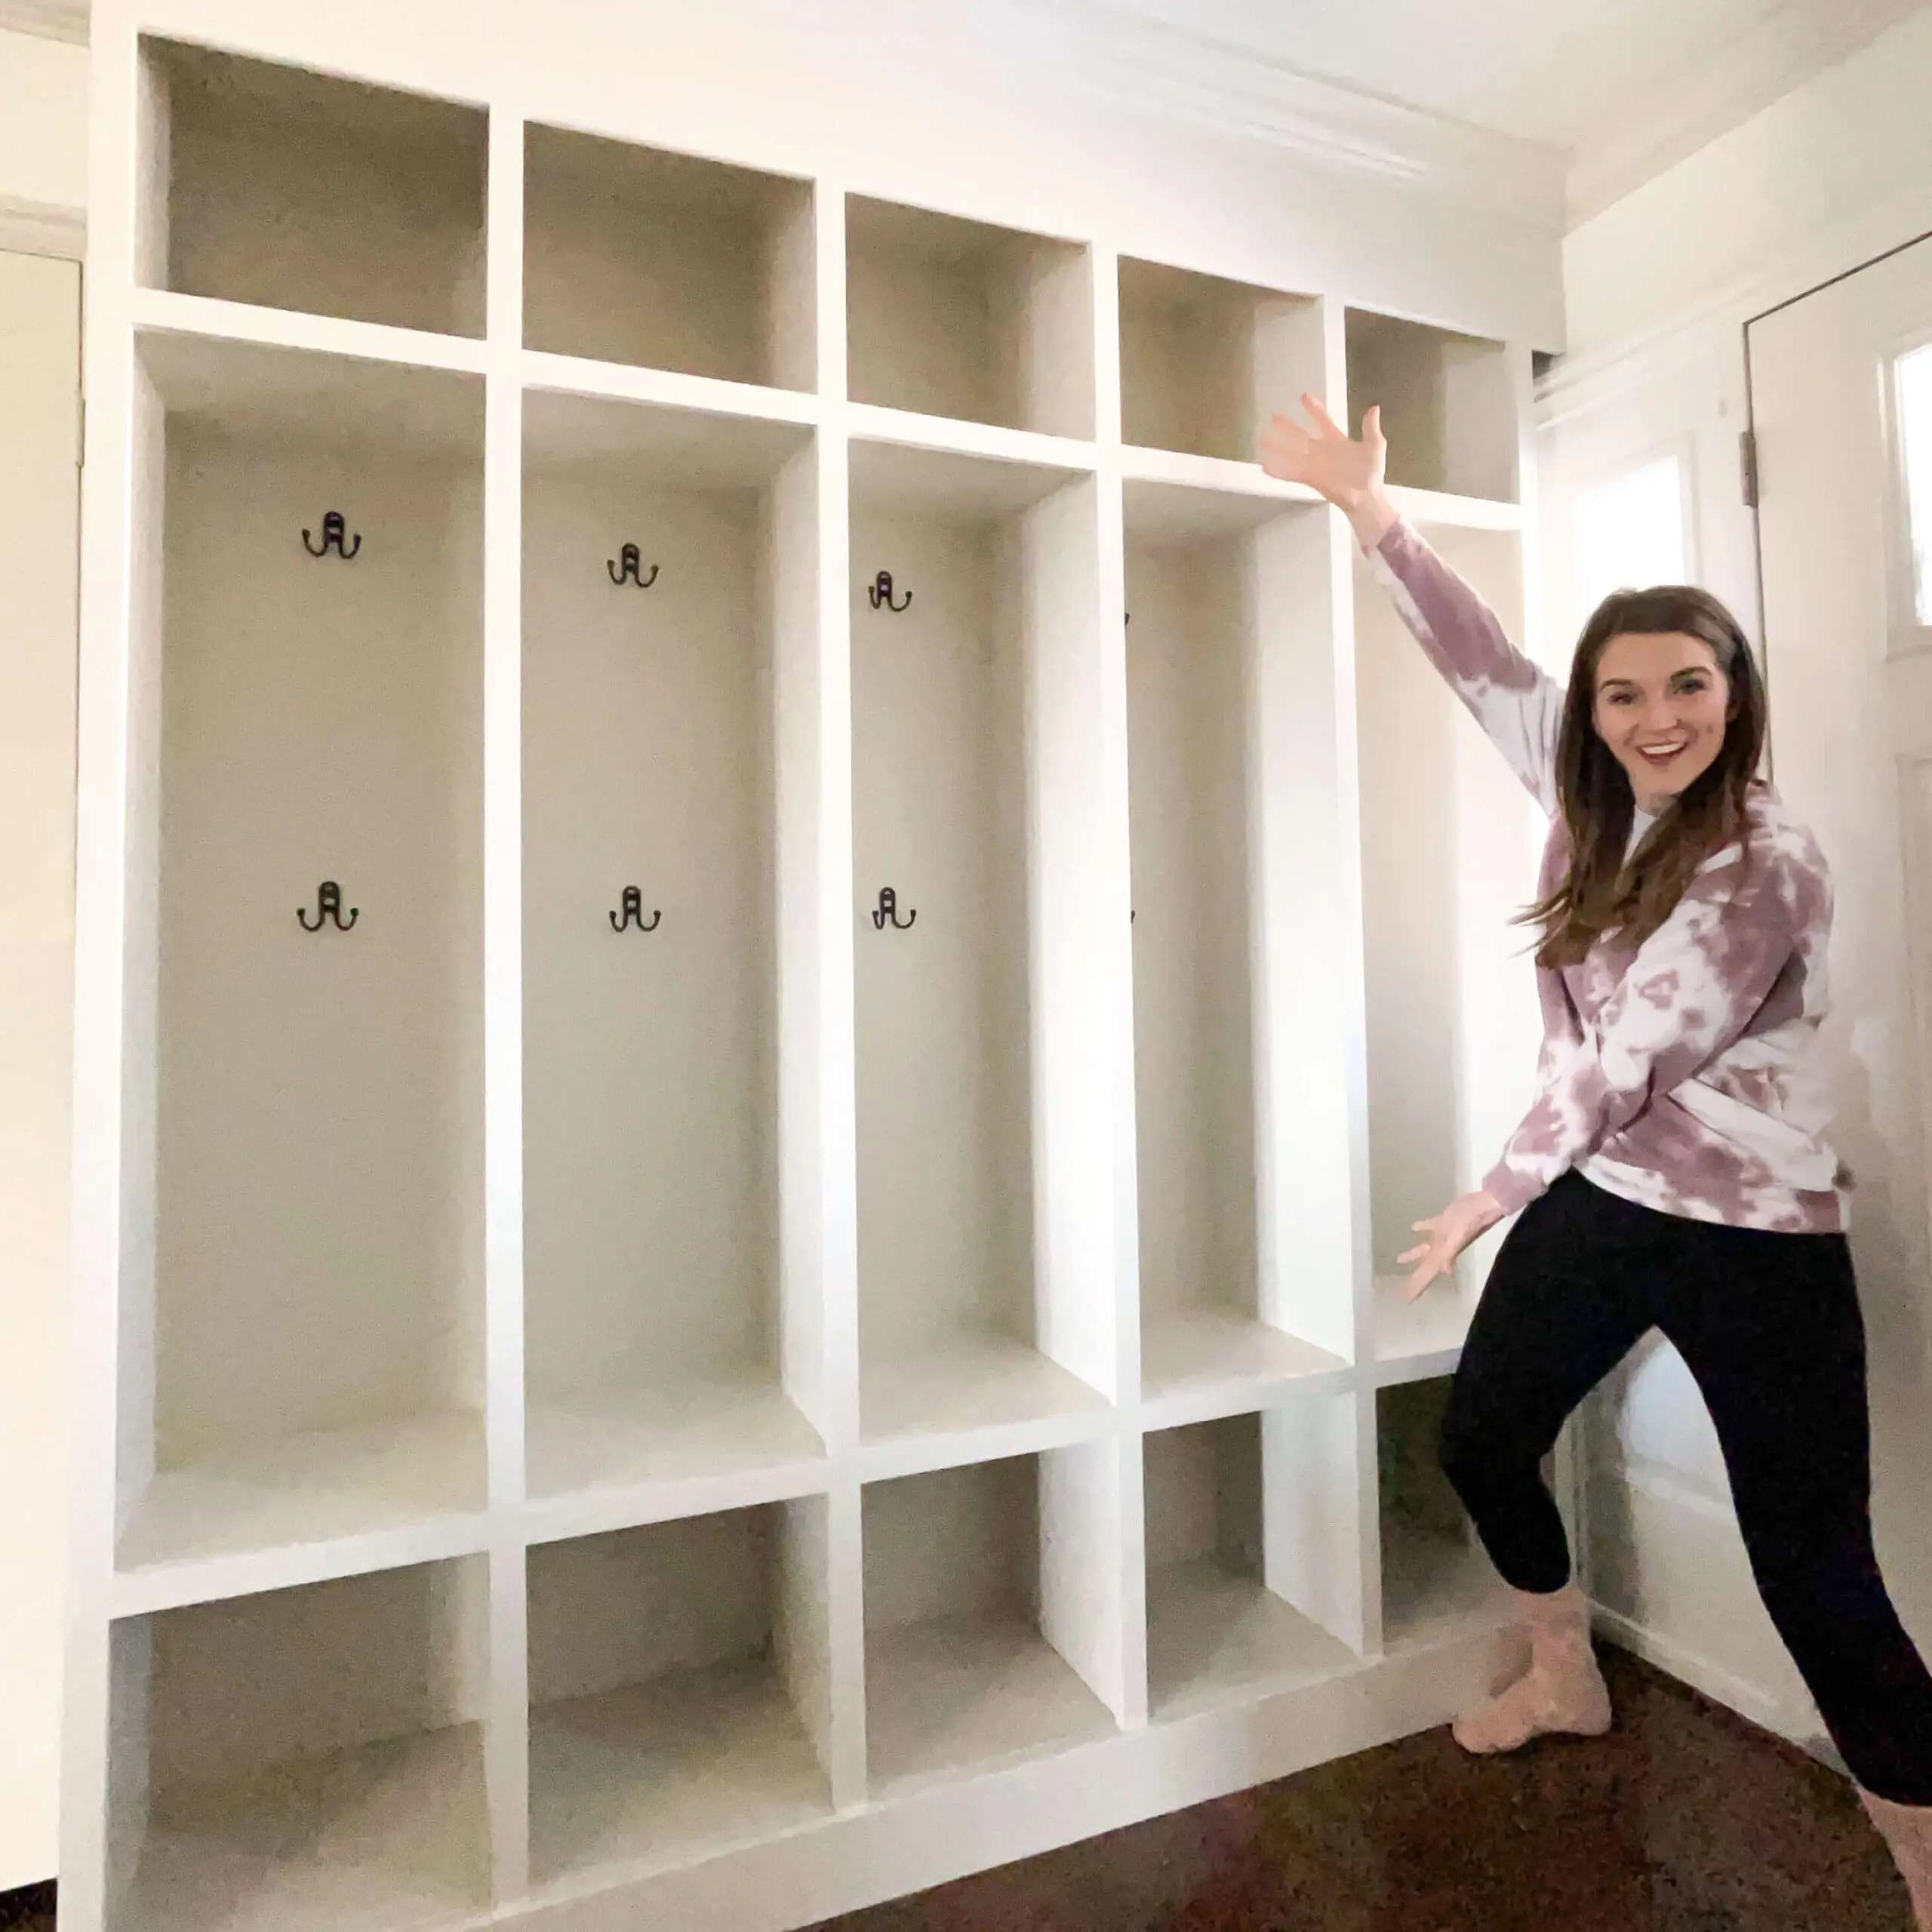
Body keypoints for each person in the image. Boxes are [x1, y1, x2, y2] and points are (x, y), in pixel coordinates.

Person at [1262, 395, 1932, 1924]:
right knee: (1480, 1433)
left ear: (1732, 696)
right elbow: (1484, 662)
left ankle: (1916, 1849)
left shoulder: (1765, 859)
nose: (1650, 715)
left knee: (1813, 1569)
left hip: (1752, 1229)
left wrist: (1486, 1195)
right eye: (1621, 692)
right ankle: (1560, 1664)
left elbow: (1630, 1051)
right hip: (1606, 1203)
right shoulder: (1586, 799)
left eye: (1684, 686)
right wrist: (1375, 518)